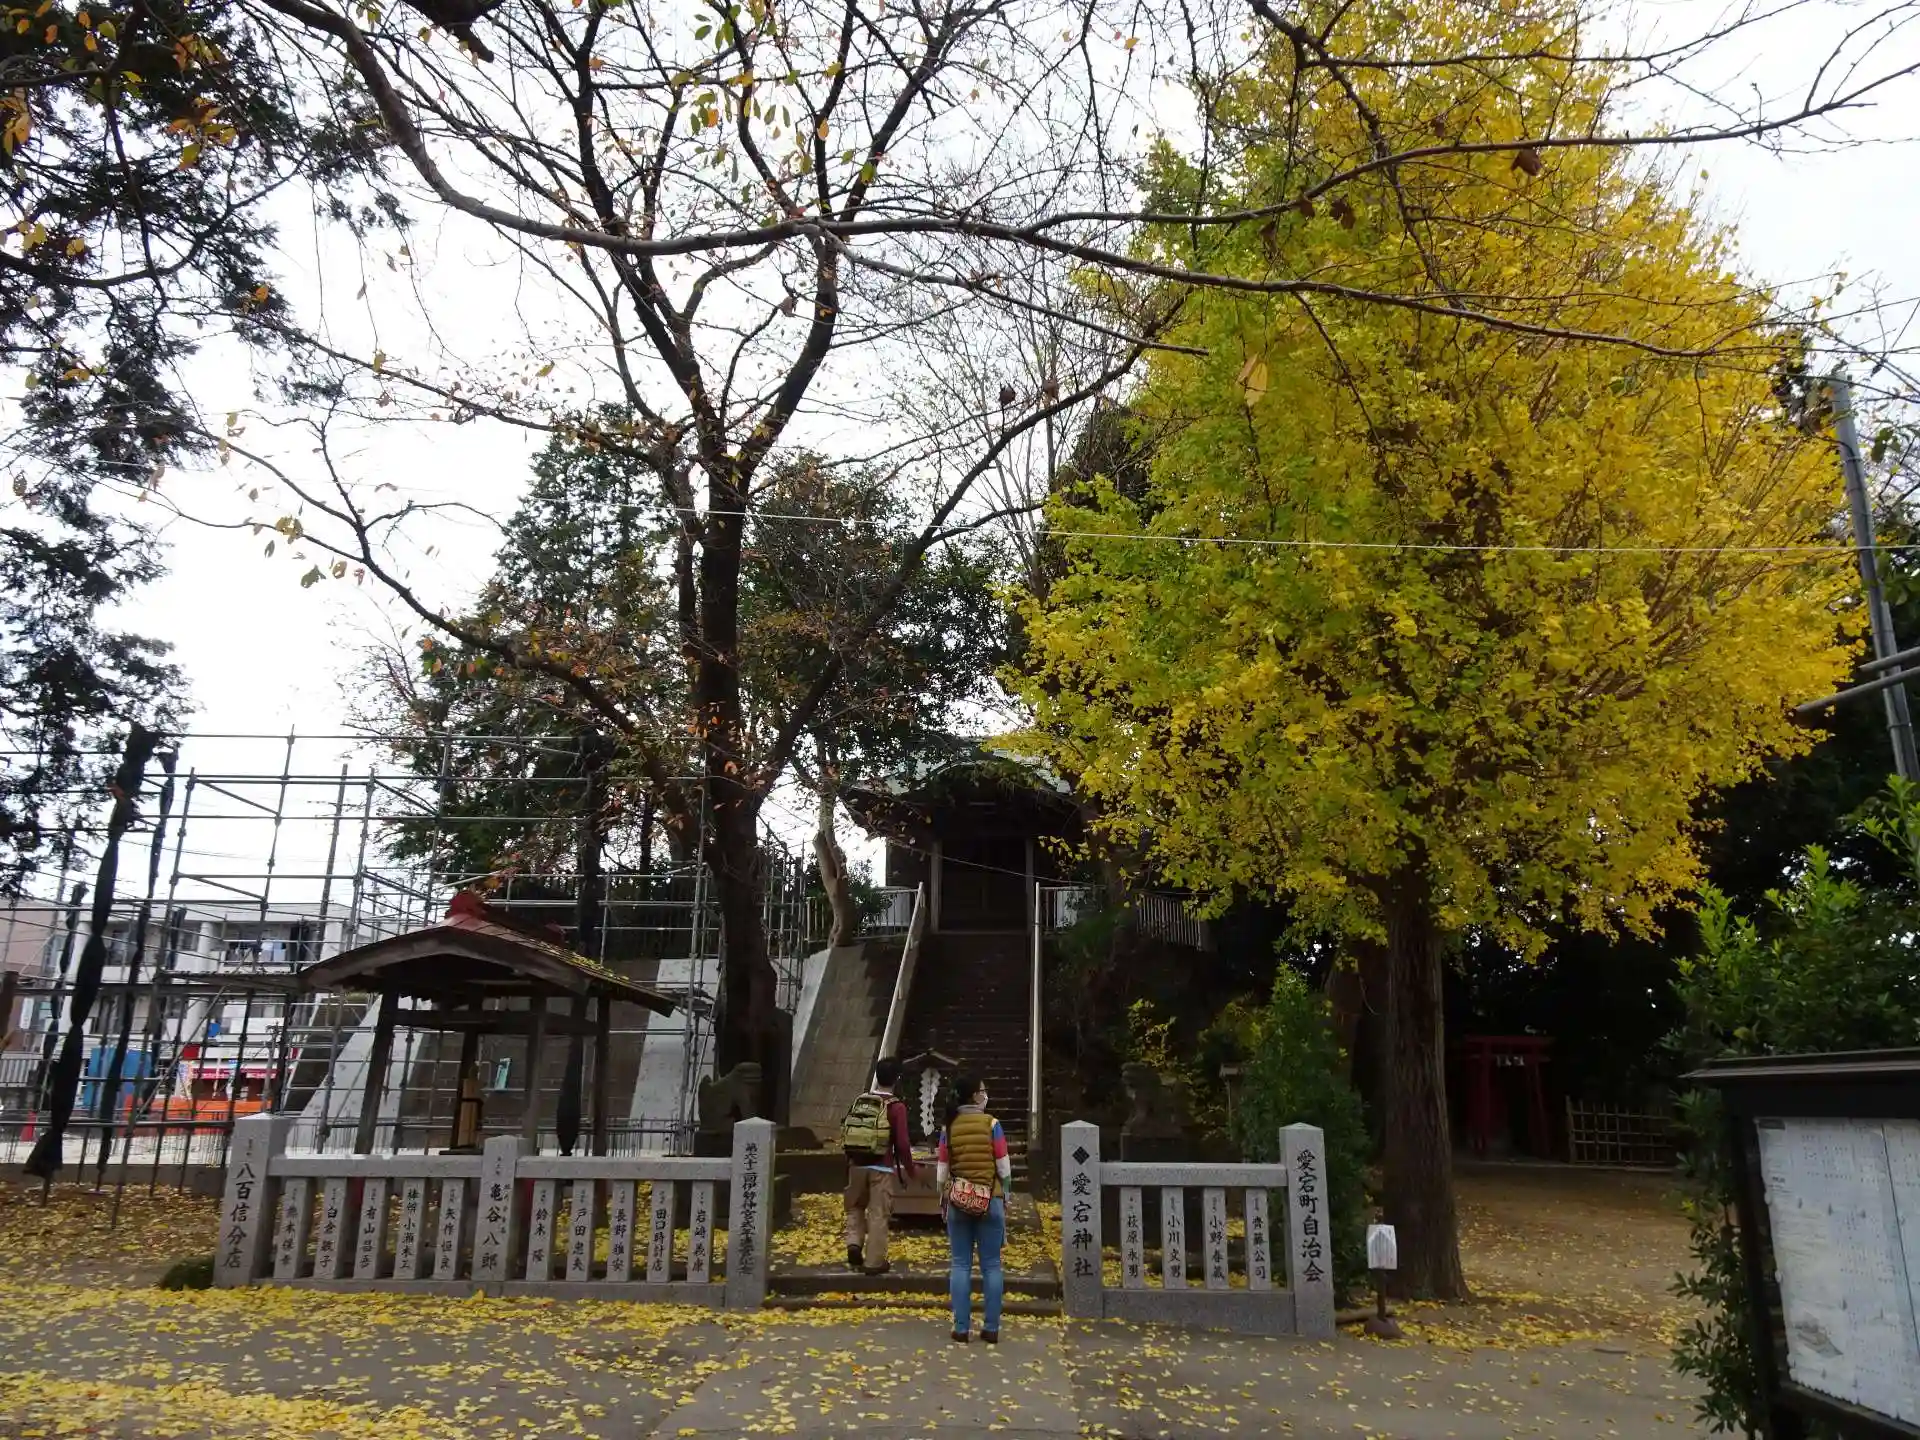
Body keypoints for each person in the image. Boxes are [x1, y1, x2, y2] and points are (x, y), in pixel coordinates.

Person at [937, 1073, 1011, 1344]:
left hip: (958, 1201)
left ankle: (961, 1328)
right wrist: (1006, 1196)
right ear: (974, 1095)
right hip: (990, 1200)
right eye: (982, 1090)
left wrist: (943, 1198)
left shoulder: (949, 1127)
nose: (985, 1094)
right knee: (991, 1265)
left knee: (960, 1264)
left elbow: (942, 1171)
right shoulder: (992, 1124)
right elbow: (1004, 1167)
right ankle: (991, 1328)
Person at [840, 1056, 917, 1274]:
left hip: (856, 1164)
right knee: (878, 1213)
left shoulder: (862, 1100)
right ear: (897, 1079)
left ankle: (854, 1243)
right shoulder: (896, 1107)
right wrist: (910, 1170)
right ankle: (874, 1262)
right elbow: (902, 1144)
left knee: (855, 1206)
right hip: (881, 1168)